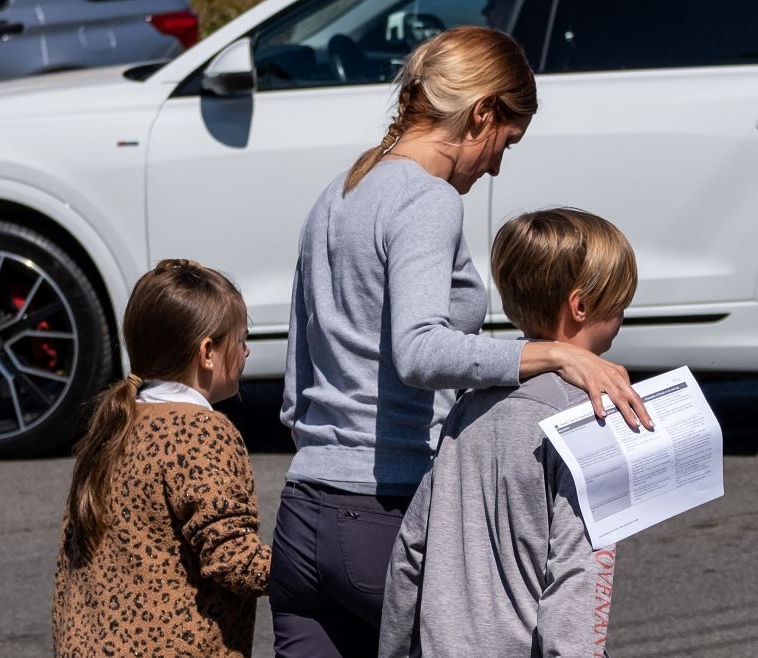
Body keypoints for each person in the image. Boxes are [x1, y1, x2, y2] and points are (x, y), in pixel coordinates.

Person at [272, 26, 652, 657]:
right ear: (483, 113)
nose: (499, 162)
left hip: (303, 515)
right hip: (383, 511)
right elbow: (420, 351)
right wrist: (555, 353)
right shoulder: (428, 199)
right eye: (508, 140)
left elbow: (295, 380)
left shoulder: (339, 192)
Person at [379, 208, 637, 657]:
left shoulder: (469, 409)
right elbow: (576, 578)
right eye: (619, 303)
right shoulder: (589, 418)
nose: (622, 316)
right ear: (581, 305)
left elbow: (411, 551)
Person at [52, 259, 270, 657]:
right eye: (239, 340)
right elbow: (230, 556)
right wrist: (306, 571)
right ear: (207, 352)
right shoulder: (202, 432)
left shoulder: (116, 423)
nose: (246, 350)